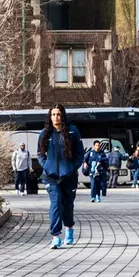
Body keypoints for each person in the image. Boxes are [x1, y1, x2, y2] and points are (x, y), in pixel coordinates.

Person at [38, 103, 85, 249]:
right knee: (56, 203)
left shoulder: (72, 131)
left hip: (68, 177)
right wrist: (46, 166)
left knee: (67, 206)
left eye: (58, 114)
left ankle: (69, 229)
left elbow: (80, 154)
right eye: (53, 114)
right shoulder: (44, 133)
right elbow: (40, 154)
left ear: (62, 115)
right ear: (49, 116)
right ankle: (56, 236)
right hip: (50, 177)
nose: (56, 117)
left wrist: (71, 168)